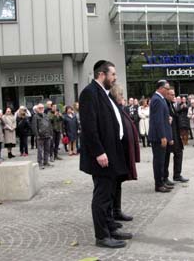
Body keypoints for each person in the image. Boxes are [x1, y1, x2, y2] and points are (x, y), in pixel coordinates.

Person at [79, 60, 131, 249]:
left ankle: (110, 228)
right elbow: (89, 127)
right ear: (102, 74)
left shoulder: (104, 93)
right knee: (102, 196)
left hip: (111, 153)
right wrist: (99, 151)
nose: (115, 78)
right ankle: (102, 236)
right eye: (113, 74)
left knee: (109, 194)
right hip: (101, 155)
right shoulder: (89, 93)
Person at [110, 84, 140, 223]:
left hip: (122, 152)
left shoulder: (120, 109)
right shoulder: (113, 109)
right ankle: (111, 214)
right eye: (121, 95)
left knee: (118, 184)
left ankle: (117, 211)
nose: (123, 98)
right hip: (116, 153)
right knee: (112, 185)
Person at [148, 80, 173, 193]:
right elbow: (157, 121)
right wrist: (163, 136)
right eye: (167, 89)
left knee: (162, 161)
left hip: (161, 135)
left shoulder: (160, 99)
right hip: (158, 137)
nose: (168, 91)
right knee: (158, 161)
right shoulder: (157, 99)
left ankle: (162, 181)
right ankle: (158, 184)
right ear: (161, 88)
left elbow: (161, 117)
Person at [164, 88, 189, 184]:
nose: (173, 96)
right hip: (169, 134)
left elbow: (175, 115)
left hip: (176, 133)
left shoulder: (172, 104)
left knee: (179, 153)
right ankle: (165, 177)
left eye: (174, 95)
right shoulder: (165, 104)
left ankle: (177, 175)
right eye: (171, 94)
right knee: (166, 156)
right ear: (167, 95)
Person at [32, 104, 54, 169]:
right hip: (40, 136)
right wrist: (37, 135)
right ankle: (40, 163)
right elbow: (34, 127)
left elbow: (50, 125)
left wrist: (51, 134)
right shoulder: (35, 116)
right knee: (40, 150)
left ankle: (46, 162)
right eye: (40, 108)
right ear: (37, 109)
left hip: (47, 135)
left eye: (42, 108)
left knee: (47, 149)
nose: (41, 109)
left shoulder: (46, 116)